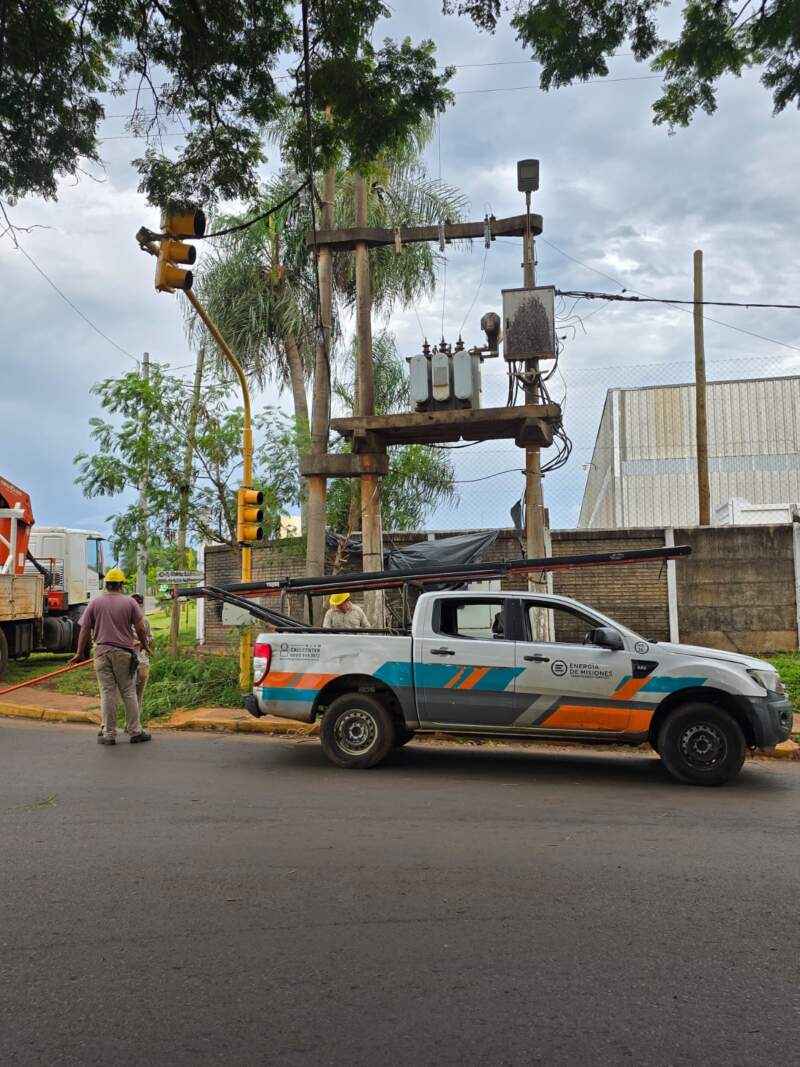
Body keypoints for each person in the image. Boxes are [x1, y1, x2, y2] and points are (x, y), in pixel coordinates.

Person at [69, 568, 153, 746]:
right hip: (123, 653)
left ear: (107, 585)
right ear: (122, 585)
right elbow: (140, 628)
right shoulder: (129, 603)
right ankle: (135, 731)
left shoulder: (95, 603)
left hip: (101, 653)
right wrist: (144, 644)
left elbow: (84, 629)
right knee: (128, 692)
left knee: (107, 694)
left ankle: (108, 734)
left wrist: (78, 653)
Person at [131, 593, 152, 719]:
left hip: (143, 661)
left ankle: (136, 721)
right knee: (130, 693)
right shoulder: (124, 622)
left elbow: (149, 638)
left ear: (141, 605)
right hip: (128, 662)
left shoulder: (145, 621)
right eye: (133, 603)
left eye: (138, 603)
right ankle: (131, 721)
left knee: (139, 693)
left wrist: (144, 642)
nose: (136, 605)